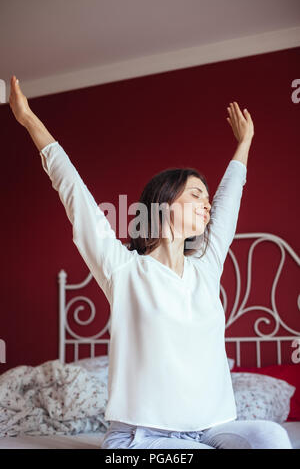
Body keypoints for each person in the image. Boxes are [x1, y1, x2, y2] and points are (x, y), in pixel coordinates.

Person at [8, 76, 292, 449]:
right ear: (164, 203)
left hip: (209, 428)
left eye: (208, 198)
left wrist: (245, 144)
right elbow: (74, 194)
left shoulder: (205, 269)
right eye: (195, 194)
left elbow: (228, 202)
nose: (208, 203)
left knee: (272, 437)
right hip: (138, 438)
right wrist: (30, 120)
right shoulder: (124, 270)